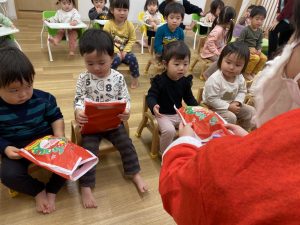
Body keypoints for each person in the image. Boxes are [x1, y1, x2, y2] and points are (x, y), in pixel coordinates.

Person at [159, 1, 300, 223]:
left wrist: (237, 112)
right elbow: (208, 99)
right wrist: (252, 142)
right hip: (209, 110)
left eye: (185, 64)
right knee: (232, 117)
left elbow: (184, 193)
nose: (182, 68)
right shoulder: (207, 78)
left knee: (247, 111)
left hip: (215, 123)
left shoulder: (230, 79)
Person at [74, 29, 148, 209]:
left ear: (112, 57)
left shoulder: (118, 78)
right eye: (90, 63)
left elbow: (126, 98)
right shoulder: (83, 78)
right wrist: (79, 112)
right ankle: (86, 186)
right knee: (89, 151)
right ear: (83, 58)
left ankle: (134, 173)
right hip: (92, 125)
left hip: (113, 124)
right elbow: (78, 99)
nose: (96, 68)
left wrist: (127, 112)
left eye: (102, 62)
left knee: (126, 143)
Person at [0, 47, 66, 214]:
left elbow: (56, 117)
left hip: (45, 142)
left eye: (28, 86)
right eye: (14, 90)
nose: (23, 94)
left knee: (68, 163)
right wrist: (6, 148)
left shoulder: (44, 99)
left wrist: (59, 136)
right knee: (8, 176)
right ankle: (37, 190)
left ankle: (52, 190)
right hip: (17, 149)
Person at [146, 41, 198, 154]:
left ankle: (186, 149)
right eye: (177, 64)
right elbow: (151, 95)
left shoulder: (184, 81)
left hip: (178, 113)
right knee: (169, 131)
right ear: (165, 64)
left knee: (193, 125)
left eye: (185, 64)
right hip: (162, 114)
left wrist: (199, 109)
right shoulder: (159, 81)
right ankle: (166, 153)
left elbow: (189, 98)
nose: (181, 68)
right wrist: (153, 105)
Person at [202, 41, 255, 130]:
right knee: (231, 117)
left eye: (237, 65)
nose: (231, 67)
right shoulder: (215, 79)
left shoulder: (240, 77)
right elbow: (211, 99)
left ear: (243, 66)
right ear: (221, 60)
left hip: (232, 104)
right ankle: (225, 134)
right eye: (228, 62)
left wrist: (237, 102)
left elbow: (242, 91)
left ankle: (241, 132)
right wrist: (228, 107)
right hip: (213, 107)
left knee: (251, 111)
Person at [103, 0, 140, 89]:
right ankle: (110, 79)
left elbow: (132, 39)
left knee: (133, 59)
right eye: (119, 10)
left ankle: (135, 79)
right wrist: (117, 52)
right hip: (112, 52)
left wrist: (125, 51)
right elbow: (106, 41)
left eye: (125, 10)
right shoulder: (108, 25)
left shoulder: (129, 25)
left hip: (126, 52)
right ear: (112, 10)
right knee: (113, 62)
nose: (122, 13)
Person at [201, 6, 236, 79]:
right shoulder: (218, 30)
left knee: (226, 58)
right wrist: (217, 52)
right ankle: (206, 74)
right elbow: (209, 42)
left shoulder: (224, 29)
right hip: (208, 52)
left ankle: (218, 75)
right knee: (220, 61)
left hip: (217, 50)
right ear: (229, 21)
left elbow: (222, 42)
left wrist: (223, 50)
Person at [238, 6, 267, 81]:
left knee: (264, 58)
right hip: (244, 49)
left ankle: (253, 72)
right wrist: (248, 49)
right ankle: (246, 72)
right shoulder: (246, 30)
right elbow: (240, 42)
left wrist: (259, 49)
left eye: (262, 20)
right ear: (251, 18)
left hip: (254, 50)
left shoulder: (260, 31)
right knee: (256, 58)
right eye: (257, 19)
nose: (259, 21)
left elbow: (259, 42)